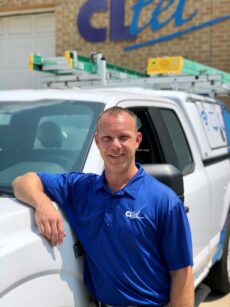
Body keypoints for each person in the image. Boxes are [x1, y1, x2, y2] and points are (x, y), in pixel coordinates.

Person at [12, 106, 194, 307]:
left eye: (123, 137)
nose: (115, 146)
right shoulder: (80, 188)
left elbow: (182, 273)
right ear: (97, 141)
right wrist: (42, 204)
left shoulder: (164, 201)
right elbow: (22, 181)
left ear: (137, 140)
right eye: (107, 138)